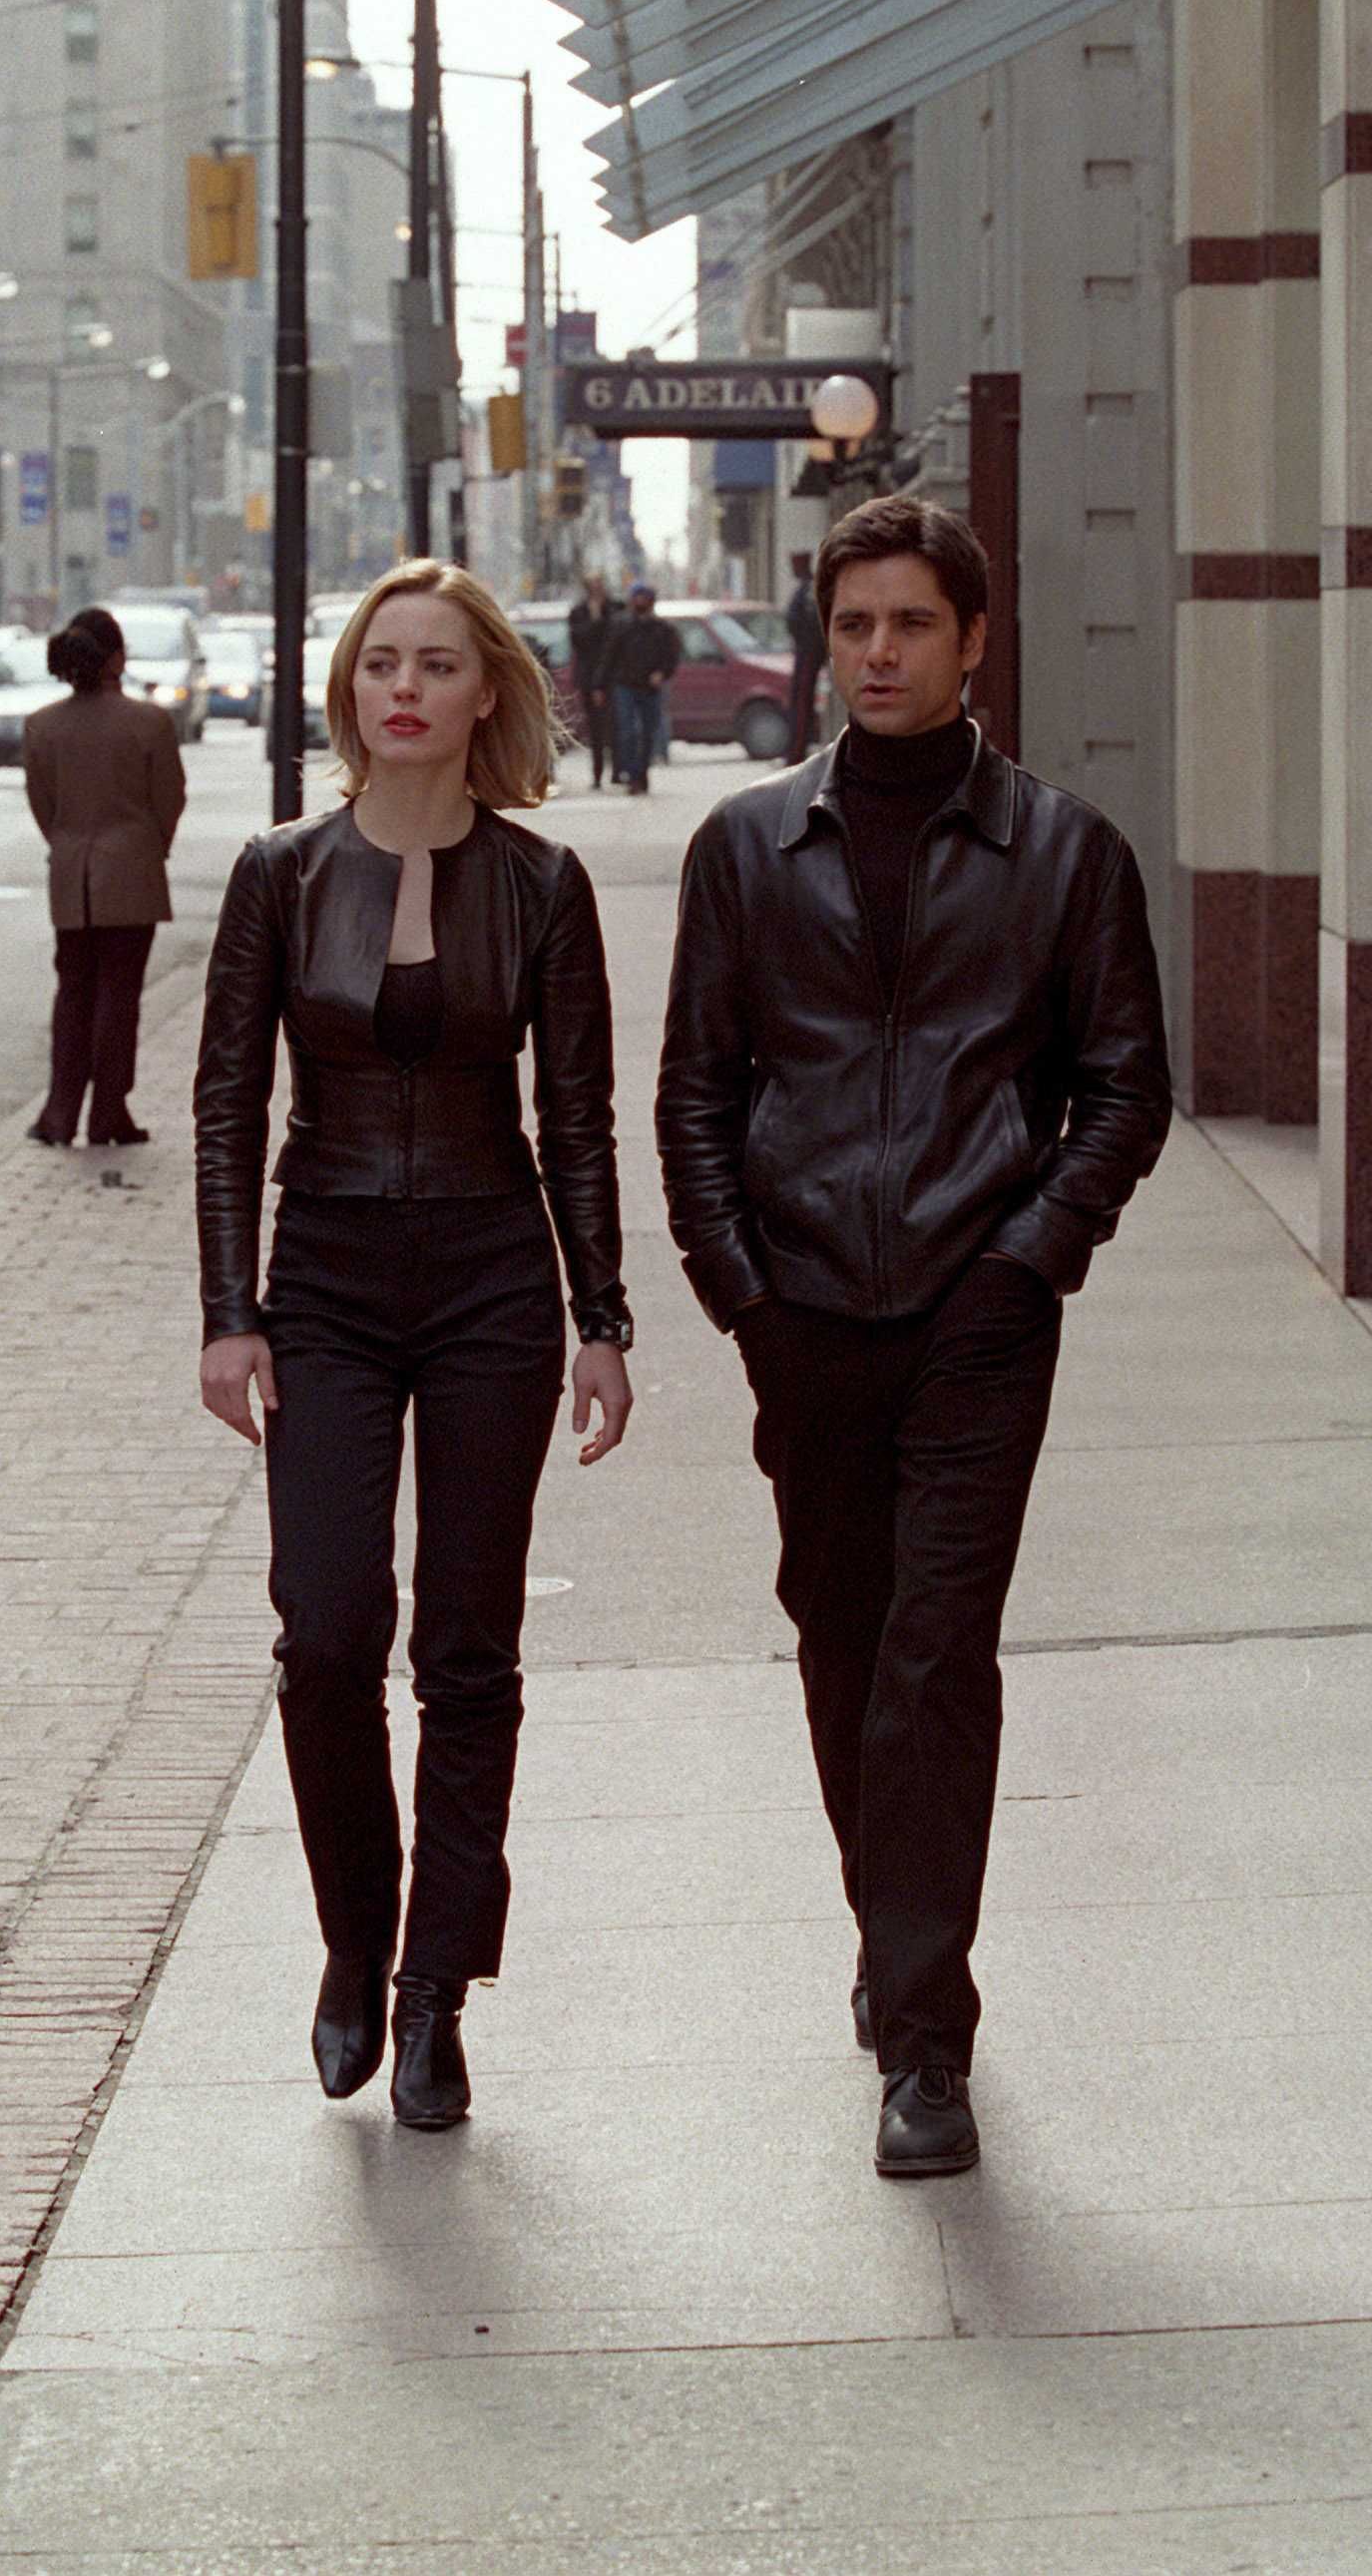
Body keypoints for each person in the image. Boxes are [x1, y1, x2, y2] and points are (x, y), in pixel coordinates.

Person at [656, 493, 1172, 2179]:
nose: (878, 654)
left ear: (974, 642)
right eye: (855, 626)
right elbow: (696, 1091)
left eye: (911, 625)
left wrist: (1030, 1258)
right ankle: (895, 1947)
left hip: (977, 1311)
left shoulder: (1064, 852)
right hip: (802, 1310)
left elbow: (1125, 1087)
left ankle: (924, 2040)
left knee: (937, 1655)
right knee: (843, 1640)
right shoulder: (747, 849)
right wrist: (739, 1289)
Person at [194, 559, 635, 2132]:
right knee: (325, 1632)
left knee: (466, 1645)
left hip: (489, 1280)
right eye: (382, 661)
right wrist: (228, 1312)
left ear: (483, 693)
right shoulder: (280, 873)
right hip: (321, 1276)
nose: (405, 687)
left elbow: (573, 1117)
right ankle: (353, 1937)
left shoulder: (542, 885)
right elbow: (228, 1103)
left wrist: (602, 1318)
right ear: (349, 689)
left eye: (438, 664)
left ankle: (435, 1988)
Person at [23, 605, 188, 1148]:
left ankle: (59, 1112)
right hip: (132, 874)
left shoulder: (42, 726)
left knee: (72, 993)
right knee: (120, 996)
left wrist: (68, 845)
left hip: (71, 876)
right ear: (117, 658)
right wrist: (150, 846)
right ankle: (108, 1112)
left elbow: (43, 805)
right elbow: (170, 798)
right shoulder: (150, 722)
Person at [602, 583, 681, 795]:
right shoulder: (621, 625)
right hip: (625, 685)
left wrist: (662, 673)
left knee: (648, 733)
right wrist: (600, 686)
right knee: (627, 732)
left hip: (650, 688)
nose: (640, 602)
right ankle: (631, 774)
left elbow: (672, 657)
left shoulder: (663, 629)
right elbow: (609, 656)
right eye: (637, 598)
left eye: (644, 598)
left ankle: (641, 773)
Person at [566, 570, 621, 792]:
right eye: (593, 584)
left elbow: (616, 636)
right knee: (595, 729)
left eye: (600, 584)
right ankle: (597, 774)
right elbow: (578, 640)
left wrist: (602, 616)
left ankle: (617, 772)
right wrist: (595, 619)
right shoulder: (578, 612)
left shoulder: (614, 608)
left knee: (616, 726)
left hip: (614, 676)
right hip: (589, 677)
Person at [784, 553, 826, 763]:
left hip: (808, 654)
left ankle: (797, 752)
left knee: (801, 704)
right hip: (805, 652)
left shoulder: (809, 590)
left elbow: (807, 623)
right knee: (799, 703)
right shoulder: (805, 588)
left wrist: (808, 645)